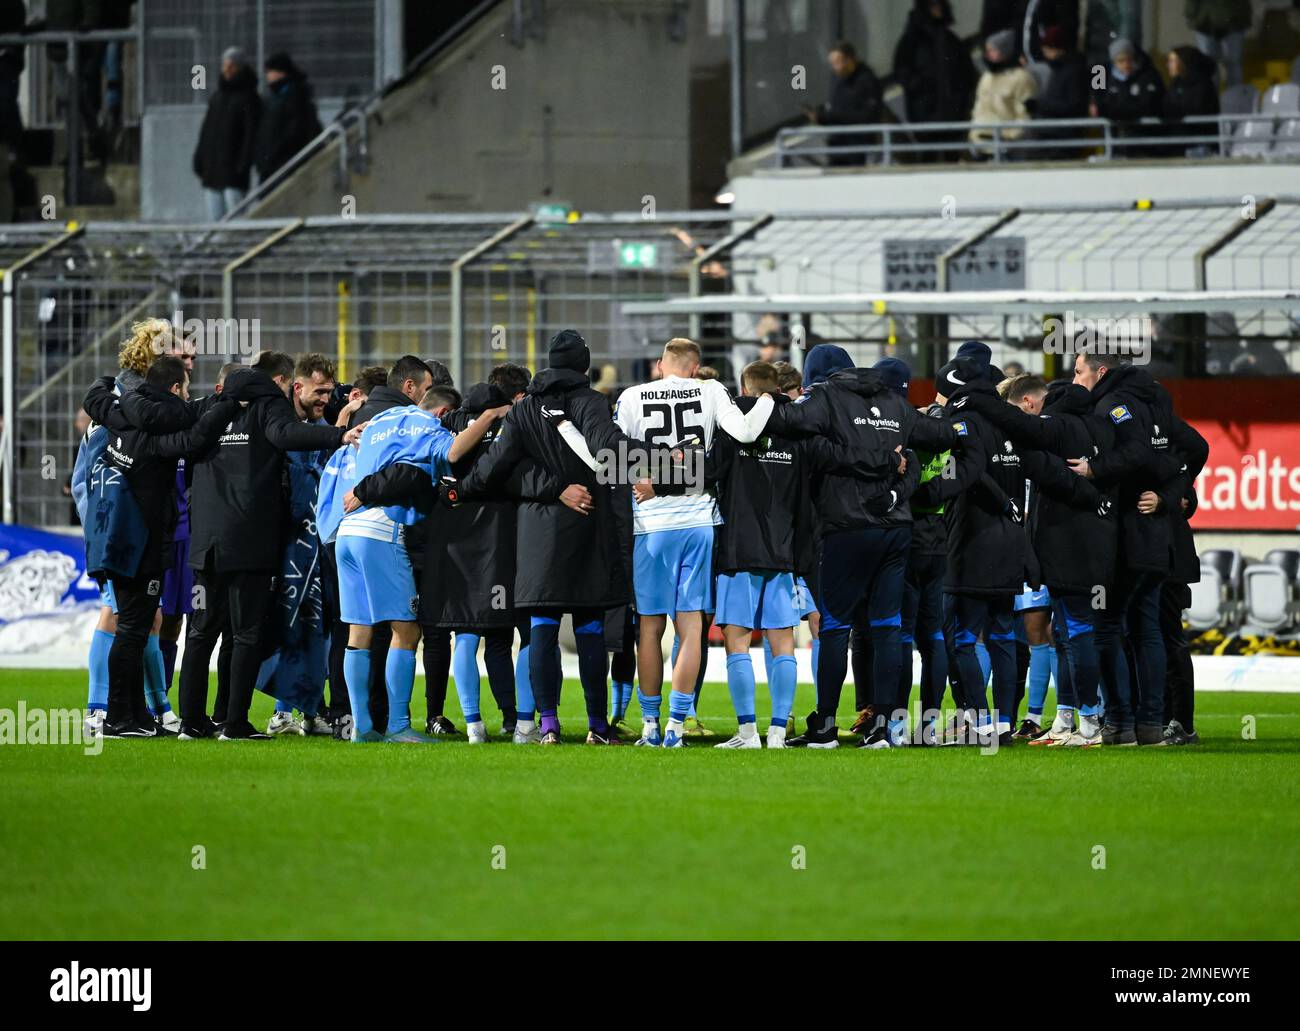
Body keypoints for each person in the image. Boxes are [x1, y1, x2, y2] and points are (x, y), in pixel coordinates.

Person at [461, 330, 673, 745]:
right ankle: (596, 725)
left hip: (538, 535)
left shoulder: (523, 412)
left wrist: (456, 489)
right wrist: (669, 459)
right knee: (591, 629)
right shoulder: (591, 402)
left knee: (541, 628)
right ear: (584, 367)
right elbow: (609, 448)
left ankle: (548, 724)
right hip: (589, 529)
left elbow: (490, 473)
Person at [767, 348, 955, 749]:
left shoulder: (824, 399)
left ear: (817, 375)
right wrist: (896, 474)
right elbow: (940, 439)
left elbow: (790, 426)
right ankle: (884, 727)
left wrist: (755, 401)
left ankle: (825, 727)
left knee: (835, 626)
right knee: (887, 626)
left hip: (845, 526)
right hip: (897, 529)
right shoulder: (893, 402)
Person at [169, 353, 359, 741]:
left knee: (200, 633)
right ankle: (234, 723)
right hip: (249, 539)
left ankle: (191, 722)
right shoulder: (267, 407)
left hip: (205, 541)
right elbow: (288, 436)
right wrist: (338, 434)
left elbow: (180, 443)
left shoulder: (207, 407)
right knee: (246, 634)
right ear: (280, 382)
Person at [613, 338, 775, 748]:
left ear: (659, 365)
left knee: (648, 629)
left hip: (649, 524)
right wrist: (770, 400)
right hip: (698, 520)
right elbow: (744, 432)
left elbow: (613, 457)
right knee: (690, 630)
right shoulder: (710, 390)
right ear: (694, 367)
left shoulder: (632, 396)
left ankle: (649, 724)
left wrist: (652, 471)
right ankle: (676, 726)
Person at [331, 387, 506, 743]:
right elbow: (454, 451)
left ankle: (362, 727)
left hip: (347, 531)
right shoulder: (427, 426)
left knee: (358, 632)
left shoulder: (378, 421)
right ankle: (397, 726)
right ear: (442, 413)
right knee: (407, 631)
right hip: (383, 532)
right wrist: (489, 417)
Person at [80, 358, 238, 738]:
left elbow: (94, 399)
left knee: (133, 629)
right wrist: (231, 406)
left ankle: (136, 717)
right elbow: (194, 437)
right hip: (140, 543)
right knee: (133, 630)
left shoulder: (120, 415)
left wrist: (105, 383)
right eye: (184, 386)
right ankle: (118, 718)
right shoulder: (156, 435)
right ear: (172, 389)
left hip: (115, 539)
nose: (187, 393)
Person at [1069, 350, 1186, 746]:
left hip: (1122, 541)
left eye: (1079, 371)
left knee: (1105, 628)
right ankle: (1150, 725)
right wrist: (1168, 498)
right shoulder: (1156, 405)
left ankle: (1119, 725)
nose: (1074, 380)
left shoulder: (1113, 405)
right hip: (1155, 540)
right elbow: (1189, 454)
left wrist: (1094, 469)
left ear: (1101, 372)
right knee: (1146, 630)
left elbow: (1136, 453)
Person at [263, 353, 341, 737]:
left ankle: (310, 708)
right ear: (298, 387)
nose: (325, 398)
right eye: (319, 391)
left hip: (320, 542)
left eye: (329, 391)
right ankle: (281, 711)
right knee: (288, 621)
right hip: (288, 540)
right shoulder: (280, 427)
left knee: (321, 626)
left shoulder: (326, 429)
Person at [893, 0, 977, 161]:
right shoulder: (911, 41)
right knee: (928, 155)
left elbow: (966, 73)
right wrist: (919, 86)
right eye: (933, 6)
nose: (938, 10)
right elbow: (902, 71)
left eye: (940, 6)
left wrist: (961, 97)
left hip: (952, 113)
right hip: (925, 113)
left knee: (952, 155)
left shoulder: (951, 40)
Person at [193, 46, 261, 220]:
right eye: (225, 65)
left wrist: (242, 165)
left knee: (236, 218)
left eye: (232, 66)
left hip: (233, 173)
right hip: (213, 171)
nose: (227, 70)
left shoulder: (248, 98)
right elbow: (206, 132)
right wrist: (200, 158)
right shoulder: (217, 98)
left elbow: (250, 135)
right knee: (215, 220)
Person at [809, 41, 882, 167]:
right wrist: (821, 117)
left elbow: (868, 117)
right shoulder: (837, 79)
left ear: (850, 60)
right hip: (837, 145)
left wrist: (833, 115)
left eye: (837, 63)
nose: (835, 68)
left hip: (858, 147)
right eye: (832, 64)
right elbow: (835, 110)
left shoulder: (868, 81)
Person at [254, 52, 322, 184]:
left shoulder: (293, 96)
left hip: (282, 163)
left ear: (281, 72)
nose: (267, 75)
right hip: (272, 163)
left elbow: (294, 129)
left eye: (270, 71)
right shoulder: (275, 97)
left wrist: (275, 153)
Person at [969, 28, 1039, 156]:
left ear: (1005, 51)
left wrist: (1012, 139)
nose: (988, 55)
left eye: (993, 50)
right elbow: (978, 108)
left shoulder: (1021, 78)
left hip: (1006, 144)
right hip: (980, 142)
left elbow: (1025, 115)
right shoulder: (987, 77)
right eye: (987, 50)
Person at [1091, 39, 1164, 157]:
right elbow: (1098, 104)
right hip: (1114, 143)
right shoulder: (1100, 73)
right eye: (1121, 61)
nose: (1126, 65)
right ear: (1113, 62)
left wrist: (1112, 110)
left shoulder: (1148, 74)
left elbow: (1147, 106)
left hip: (1143, 145)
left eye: (1129, 60)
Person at [1029, 23, 1089, 159]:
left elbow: (1075, 105)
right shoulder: (1057, 69)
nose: (1044, 52)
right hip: (1051, 133)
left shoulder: (1074, 70)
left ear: (1057, 48)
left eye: (1047, 48)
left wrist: (1040, 105)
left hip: (1063, 137)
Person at [1163, 45, 1220, 156]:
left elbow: (1197, 110)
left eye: (1172, 61)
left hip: (1199, 144)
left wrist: (1173, 109)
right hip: (1177, 142)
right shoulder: (1175, 84)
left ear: (1183, 62)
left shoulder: (1203, 84)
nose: (1168, 65)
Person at [1186, 0, 1252, 87]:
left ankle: (1234, 97)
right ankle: (1212, 97)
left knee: (1233, 62)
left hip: (1233, 22)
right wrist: (1191, 15)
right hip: (1206, 23)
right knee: (1209, 63)